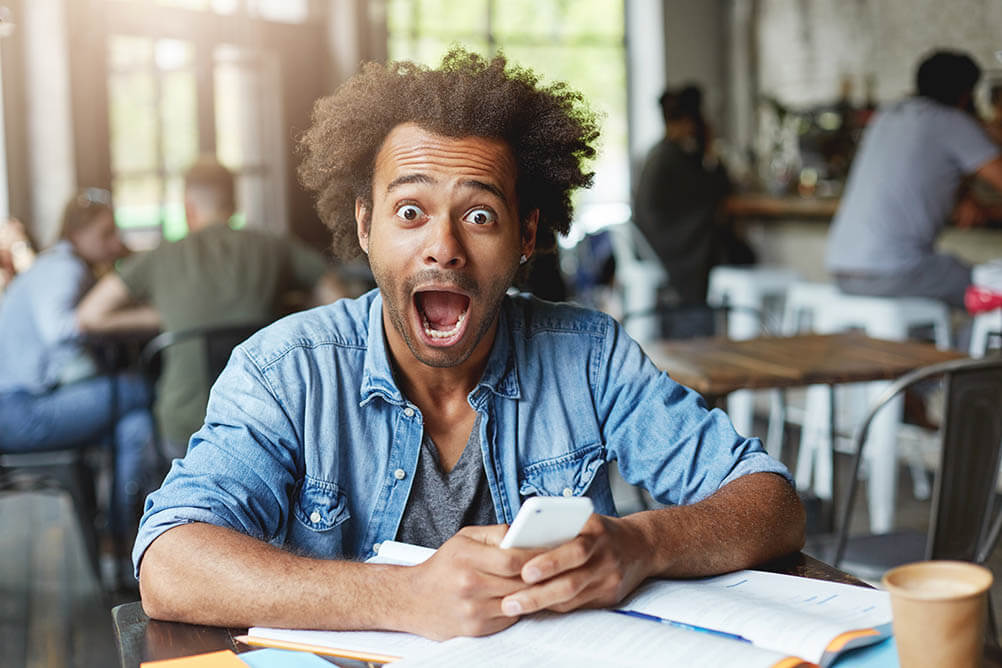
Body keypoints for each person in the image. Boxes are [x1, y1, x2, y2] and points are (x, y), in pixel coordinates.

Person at [134, 49, 804, 639]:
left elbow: (769, 502)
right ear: (365, 226)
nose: (444, 248)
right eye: (410, 212)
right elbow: (169, 563)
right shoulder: (284, 372)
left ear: (527, 237)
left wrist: (641, 542)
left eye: (479, 215)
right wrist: (406, 596)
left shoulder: (587, 356)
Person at [78, 157, 349, 455]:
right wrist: (292, 311)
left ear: (187, 207)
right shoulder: (273, 246)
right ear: (234, 205)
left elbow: (90, 316)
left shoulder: (162, 256)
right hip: (266, 419)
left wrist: (167, 318)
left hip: (187, 426)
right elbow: (339, 300)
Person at [0, 189, 156, 541]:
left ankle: (116, 539)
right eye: (106, 234)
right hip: (20, 409)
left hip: (29, 405)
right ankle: (119, 533)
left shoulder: (62, 266)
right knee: (140, 388)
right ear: (76, 235)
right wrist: (147, 320)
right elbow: (61, 330)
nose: (116, 243)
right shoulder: (63, 269)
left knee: (135, 425)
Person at [826, 50, 1002, 309]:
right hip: (894, 272)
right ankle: (970, 349)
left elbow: (928, 169)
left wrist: (965, 196)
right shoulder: (951, 122)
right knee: (990, 291)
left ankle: (944, 343)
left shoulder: (888, 115)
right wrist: (989, 210)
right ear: (967, 94)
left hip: (842, 268)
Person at [633, 84, 733, 309]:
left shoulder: (661, 153)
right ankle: (709, 314)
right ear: (687, 122)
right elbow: (714, 190)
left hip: (655, 244)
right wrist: (709, 149)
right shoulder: (671, 158)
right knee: (739, 251)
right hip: (670, 246)